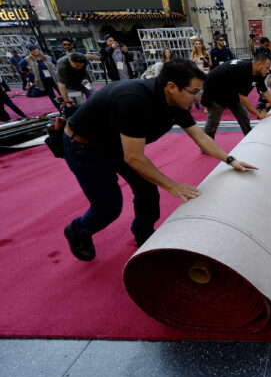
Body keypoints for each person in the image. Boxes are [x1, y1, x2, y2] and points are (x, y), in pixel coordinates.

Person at [62, 58, 258, 261]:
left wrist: (230, 160)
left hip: (118, 143)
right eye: (194, 92)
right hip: (85, 147)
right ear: (172, 87)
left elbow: (200, 137)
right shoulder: (134, 100)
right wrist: (172, 185)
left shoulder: (176, 103)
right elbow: (134, 157)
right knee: (108, 208)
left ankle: (143, 233)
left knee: (147, 190)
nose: (199, 98)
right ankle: (77, 231)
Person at [201, 54, 271, 140]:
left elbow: (265, 92)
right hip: (215, 91)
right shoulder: (243, 70)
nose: (268, 71)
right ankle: (206, 144)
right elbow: (243, 99)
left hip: (231, 91)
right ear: (259, 65)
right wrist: (259, 114)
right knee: (213, 122)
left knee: (243, 115)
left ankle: (249, 136)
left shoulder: (259, 73)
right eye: (267, 67)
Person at [19, 44, 61, 112]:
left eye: (34, 49)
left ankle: (66, 105)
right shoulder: (29, 58)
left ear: (38, 49)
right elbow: (21, 64)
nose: (34, 51)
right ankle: (59, 108)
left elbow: (57, 62)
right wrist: (29, 67)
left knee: (61, 92)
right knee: (52, 95)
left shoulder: (46, 57)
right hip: (44, 80)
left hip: (53, 78)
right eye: (31, 50)